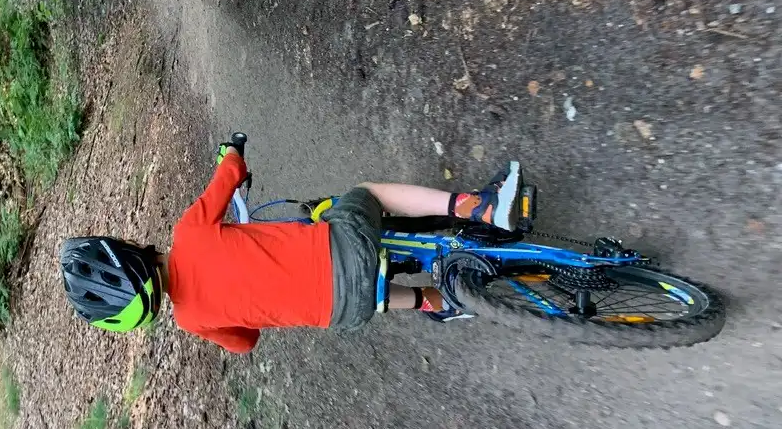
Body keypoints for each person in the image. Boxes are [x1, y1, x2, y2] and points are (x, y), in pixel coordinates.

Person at [59, 143, 526, 352]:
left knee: (353, 294)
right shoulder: (189, 233)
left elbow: (246, 343)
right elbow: (229, 174)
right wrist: (231, 154)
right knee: (367, 195)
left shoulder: (191, 320)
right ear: (128, 248)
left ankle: (439, 302)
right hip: (344, 246)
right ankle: (477, 207)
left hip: (348, 312)